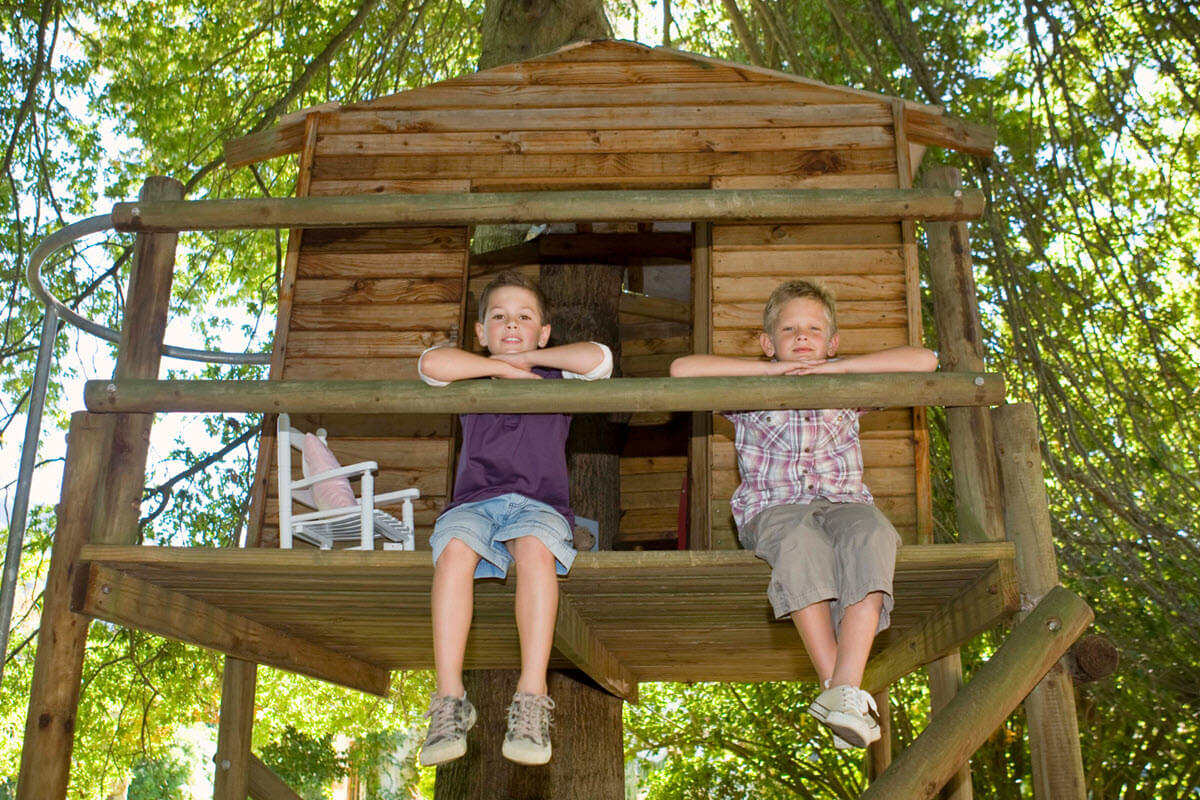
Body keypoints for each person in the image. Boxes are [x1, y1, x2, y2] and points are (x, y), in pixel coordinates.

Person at [669, 279, 936, 749]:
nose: (802, 337)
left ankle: (842, 690)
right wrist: (768, 374)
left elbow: (925, 361)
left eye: (814, 329)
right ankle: (839, 691)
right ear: (768, 343)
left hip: (847, 503)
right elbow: (682, 369)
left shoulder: (847, 384)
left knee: (875, 537)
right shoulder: (747, 392)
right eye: (789, 329)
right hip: (776, 508)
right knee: (800, 544)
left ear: (832, 342)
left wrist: (839, 368)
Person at [416, 271, 612, 767]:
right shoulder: (471, 371)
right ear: (480, 332)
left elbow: (600, 360)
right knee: (454, 552)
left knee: (535, 551)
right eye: (498, 316)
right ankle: (448, 699)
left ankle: (530, 696)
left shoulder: (555, 375)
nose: (511, 324)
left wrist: (530, 361)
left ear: (544, 333)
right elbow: (429, 363)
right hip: (473, 504)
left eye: (525, 318)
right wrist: (503, 370)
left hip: (538, 504)